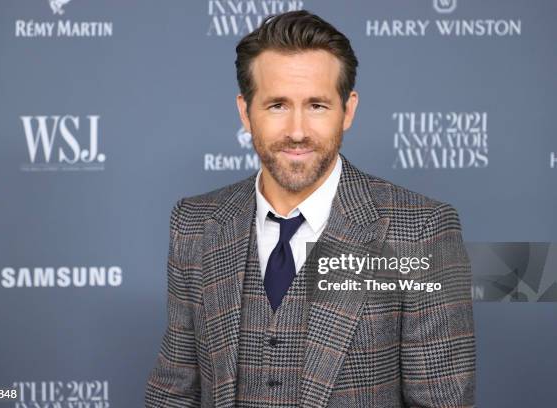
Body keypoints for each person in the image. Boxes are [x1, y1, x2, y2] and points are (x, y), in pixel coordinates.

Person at [145, 10, 475, 408]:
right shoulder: (195, 224)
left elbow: (442, 402)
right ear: (245, 112)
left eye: (317, 105)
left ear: (347, 110)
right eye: (277, 105)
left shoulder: (421, 232)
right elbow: (174, 391)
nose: (298, 131)